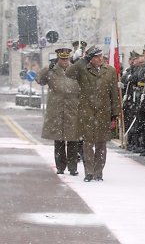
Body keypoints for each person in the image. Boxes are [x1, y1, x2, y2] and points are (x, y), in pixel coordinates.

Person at [65, 46, 120, 182]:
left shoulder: (110, 71)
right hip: (87, 112)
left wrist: (115, 113)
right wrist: (81, 60)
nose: (100, 59)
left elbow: (114, 94)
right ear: (90, 58)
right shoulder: (83, 69)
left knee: (101, 145)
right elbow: (68, 73)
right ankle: (89, 172)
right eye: (96, 57)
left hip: (103, 113)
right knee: (87, 144)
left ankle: (98, 172)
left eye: (101, 56)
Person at [36, 48, 80, 176]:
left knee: (73, 140)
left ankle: (73, 167)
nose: (64, 62)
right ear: (58, 59)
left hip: (73, 109)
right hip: (56, 110)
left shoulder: (76, 70)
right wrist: (47, 68)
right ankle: (60, 167)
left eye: (66, 59)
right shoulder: (52, 70)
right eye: (62, 59)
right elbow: (39, 80)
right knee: (58, 141)